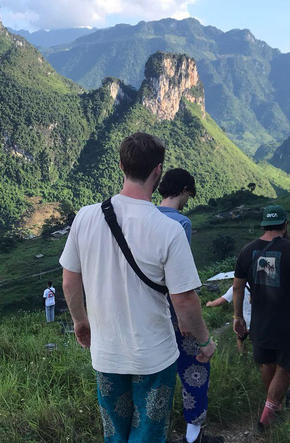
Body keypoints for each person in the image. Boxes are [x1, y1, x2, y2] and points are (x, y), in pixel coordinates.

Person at [61, 133, 216, 443]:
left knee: (114, 435)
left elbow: (69, 279)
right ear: (158, 172)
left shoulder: (85, 217)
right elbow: (184, 300)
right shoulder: (169, 230)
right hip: (154, 357)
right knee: (147, 434)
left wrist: (80, 321)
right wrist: (204, 341)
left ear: (121, 166)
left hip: (106, 354)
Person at [232, 205, 290, 431]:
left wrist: (238, 316)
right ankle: (266, 417)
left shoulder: (247, 251)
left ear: (264, 225)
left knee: (266, 362)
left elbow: (237, 288)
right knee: (284, 368)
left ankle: (274, 407)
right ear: (285, 225)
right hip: (288, 323)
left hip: (260, 322)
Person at [157, 168, 223, 443]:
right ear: (184, 190)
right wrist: (185, 319)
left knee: (155, 373)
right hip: (175, 310)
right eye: (189, 195)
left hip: (148, 310)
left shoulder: (144, 217)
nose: (187, 201)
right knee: (195, 367)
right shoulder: (180, 223)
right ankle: (193, 436)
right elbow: (179, 279)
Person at [206, 284, 252, 353]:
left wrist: (210, 303)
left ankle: (243, 357)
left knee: (241, 339)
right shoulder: (260, 284)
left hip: (243, 321)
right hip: (260, 320)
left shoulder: (237, 287)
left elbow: (220, 302)